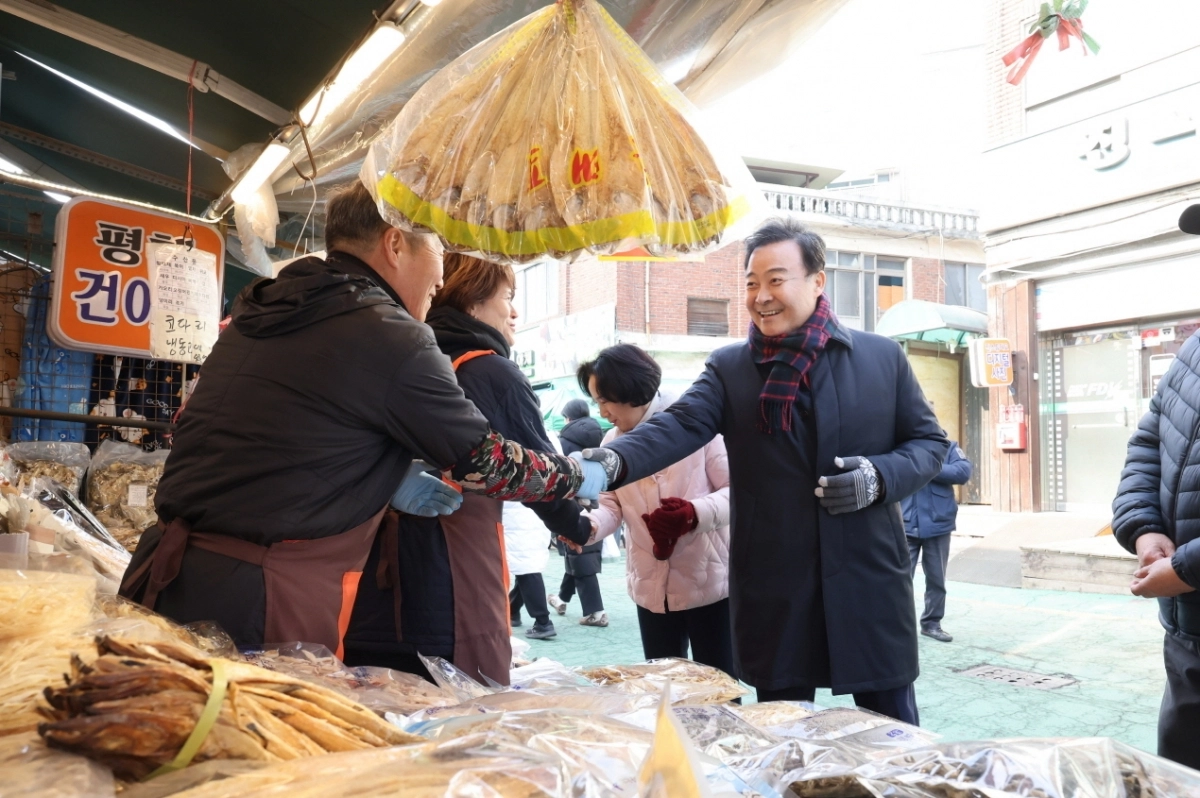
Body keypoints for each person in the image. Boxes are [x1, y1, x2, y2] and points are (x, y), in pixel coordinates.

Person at [119, 182, 598, 656]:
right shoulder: (392, 335)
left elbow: (223, 429)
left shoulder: (264, 311)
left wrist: (378, 479)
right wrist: (581, 474)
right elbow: (486, 463)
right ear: (395, 244)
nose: (440, 276)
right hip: (261, 600)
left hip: (168, 573)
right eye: (435, 248)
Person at [572, 217, 948, 724]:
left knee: (894, 734)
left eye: (776, 279)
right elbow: (682, 423)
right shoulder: (730, 369)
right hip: (775, 583)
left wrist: (878, 477)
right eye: (751, 283)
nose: (761, 295)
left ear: (817, 281)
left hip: (866, 580)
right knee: (780, 735)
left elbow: (929, 443)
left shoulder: (881, 358)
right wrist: (613, 459)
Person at [346, 253, 592, 678]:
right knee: (459, 708)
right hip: (450, 580)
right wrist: (578, 527)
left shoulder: (394, 357)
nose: (514, 311)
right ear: (473, 302)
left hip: (366, 575)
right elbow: (536, 474)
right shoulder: (491, 371)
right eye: (508, 297)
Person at [570, 344, 732, 670]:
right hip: (650, 587)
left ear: (630, 390)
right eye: (595, 401)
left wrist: (693, 514)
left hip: (710, 584)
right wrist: (589, 526)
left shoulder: (697, 425)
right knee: (661, 685)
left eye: (604, 400)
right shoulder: (611, 441)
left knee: (719, 689)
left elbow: (739, 491)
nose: (601, 411)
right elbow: (610, 504)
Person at [1112, 205, 1200, 769]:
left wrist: (1189, 568)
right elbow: (1149, 439)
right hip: (1189, 635)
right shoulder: (1193, 350)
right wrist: (1144, 529)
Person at [902, 432, 971, 643]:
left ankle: (931, 624)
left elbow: (963, 471)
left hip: (938, 525)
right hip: (905, 524)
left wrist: (930, 468)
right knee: (900, 581)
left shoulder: (947, 446)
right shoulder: (903, 447)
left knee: (936, 579)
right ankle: (899, 628)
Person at [548, 398, 608, 624]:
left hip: (570, 503)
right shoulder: (601, 436)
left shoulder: (562, 442)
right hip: (597, 503)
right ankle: (562, 597)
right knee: (579, 555)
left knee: (579, 556)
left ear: (568, 417)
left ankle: (596, 612)